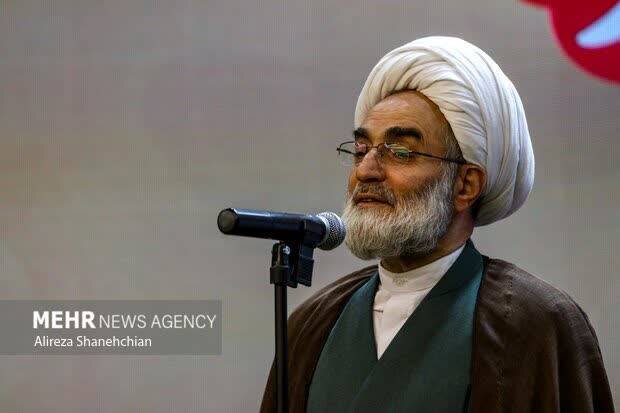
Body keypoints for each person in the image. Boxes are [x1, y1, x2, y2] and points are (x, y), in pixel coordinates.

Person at [260, 36, 614, 412]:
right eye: (361, 150)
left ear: (466, 185)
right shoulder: (313, 323)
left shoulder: (538, 322)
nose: (365, 171)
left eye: (400, 152)